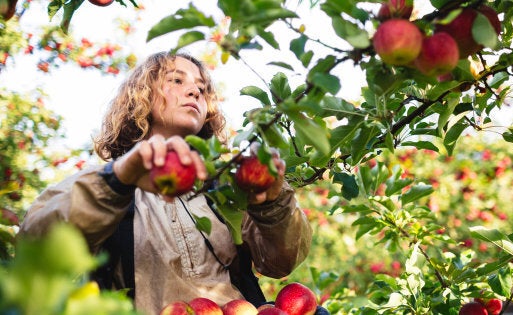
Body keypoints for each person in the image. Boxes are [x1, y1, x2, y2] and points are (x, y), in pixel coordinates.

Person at [19, 51, 313, 314]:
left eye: (201, 87)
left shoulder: (224, 189)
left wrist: (272, 203)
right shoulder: (107, 182)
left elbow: (280, 263)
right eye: (176, 80)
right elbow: (37, 244)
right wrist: (119, 181)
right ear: (142, 95)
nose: (195, 91)